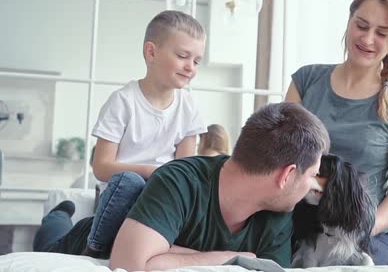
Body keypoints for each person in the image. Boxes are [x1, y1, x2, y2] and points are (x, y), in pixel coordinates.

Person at [32, 102, 330, 270]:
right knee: (50, 238)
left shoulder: (278, 214)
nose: (311, 187)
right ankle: (57, 215)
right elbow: (130, 264)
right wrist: (230, 258)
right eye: (311, 175)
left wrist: (168, 252)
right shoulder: (180, 180)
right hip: (88, 239)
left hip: (139, 235)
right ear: (286, 175)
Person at [36, 10, 208, 258]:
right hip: (117, 204)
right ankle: (64, 221)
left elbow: (183, 171)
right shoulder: (123, 101)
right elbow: (102, 167)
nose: (190, 67)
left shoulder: (189, 107)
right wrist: (151, 171)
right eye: (183, 56)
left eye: (197, 61)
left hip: (158, 201)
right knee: (129, 183)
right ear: (151, 52)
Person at [285, 0, 388, 265]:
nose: (368, 39)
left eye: (382, 33)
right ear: (349, 22)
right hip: (300, 223)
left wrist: (360, 230)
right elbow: (283, 159)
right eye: (361, 25)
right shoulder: (306, 82)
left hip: (368, 231)